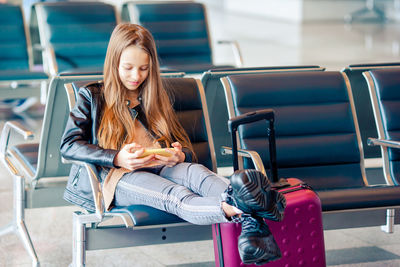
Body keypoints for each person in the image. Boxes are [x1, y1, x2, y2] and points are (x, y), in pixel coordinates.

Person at [60, 23, 285, 265]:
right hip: (118, 176)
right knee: (176, 196)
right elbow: (69, 145)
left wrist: (179, 155)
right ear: (113, 63)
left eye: (144, 69)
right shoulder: (92, 96)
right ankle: (247, 209)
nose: (136, 76)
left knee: (198, 173)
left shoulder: (154, 97)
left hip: (161, 166)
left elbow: (186, 146)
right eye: (128, 68)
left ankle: (249, 210)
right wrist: (117, 157)